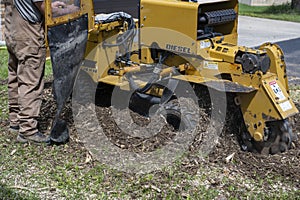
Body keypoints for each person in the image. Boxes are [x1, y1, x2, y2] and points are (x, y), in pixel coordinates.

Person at [4, 0, 78, 143]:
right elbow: (45, 10)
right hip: (27, 33)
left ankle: (15, 121)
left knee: (15, 74)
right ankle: (28, 130)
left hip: (11, 29)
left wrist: (52, 5)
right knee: (31, 79)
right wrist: (68, 10)